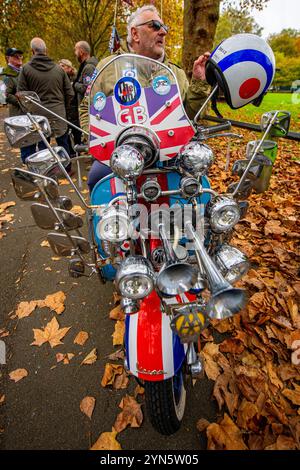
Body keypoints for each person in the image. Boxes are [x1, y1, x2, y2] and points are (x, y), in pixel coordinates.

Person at [79, 4, 210, 192]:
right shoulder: (107, 67)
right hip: (120, 156)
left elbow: (190, 115)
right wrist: (97, 139)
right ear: (135, 34)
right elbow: (86, 108)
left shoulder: (176, 73)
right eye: (155, 26)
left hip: (169, 153)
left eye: (165, 28)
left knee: (196, 184)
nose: (163, 32)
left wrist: (199, 84)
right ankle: (101, 221)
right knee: (96, 180)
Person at [17, 38, 74, 163]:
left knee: (43, 144)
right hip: (58, 112)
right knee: (62, 141)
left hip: (38, 113)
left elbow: (21, 95)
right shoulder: (59, 70)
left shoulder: (25, 69)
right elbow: (70, 93)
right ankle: (67, 167)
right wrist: (63, 107)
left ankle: (46, 170)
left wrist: (30, 110)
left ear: (32, 51)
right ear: (46, 51)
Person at [58, 58, 81, 156]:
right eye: (59, 65)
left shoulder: (75, 77)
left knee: (76, 130)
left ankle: (78, 148)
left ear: (68, 67)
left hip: (75, 106)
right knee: (65, 130)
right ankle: (70, 151)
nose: (60, 67)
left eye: (63, 66)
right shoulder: (59, 77)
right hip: (65, 106)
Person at [0, 48, 24, 117]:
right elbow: (5, 96)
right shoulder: (5, 74)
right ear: (8, 58)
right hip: (17, 115)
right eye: (15, 56)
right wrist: (24, 101)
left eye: (20, 55)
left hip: (28, 112)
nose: (19, 57)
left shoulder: (24, 71)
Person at [73, 41, 98, 106]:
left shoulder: (89, 67)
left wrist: (75, 84)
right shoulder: (85, 66)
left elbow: (87, 89)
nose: (75, 53)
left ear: (81, 52)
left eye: (75, 50)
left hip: (87, 108)